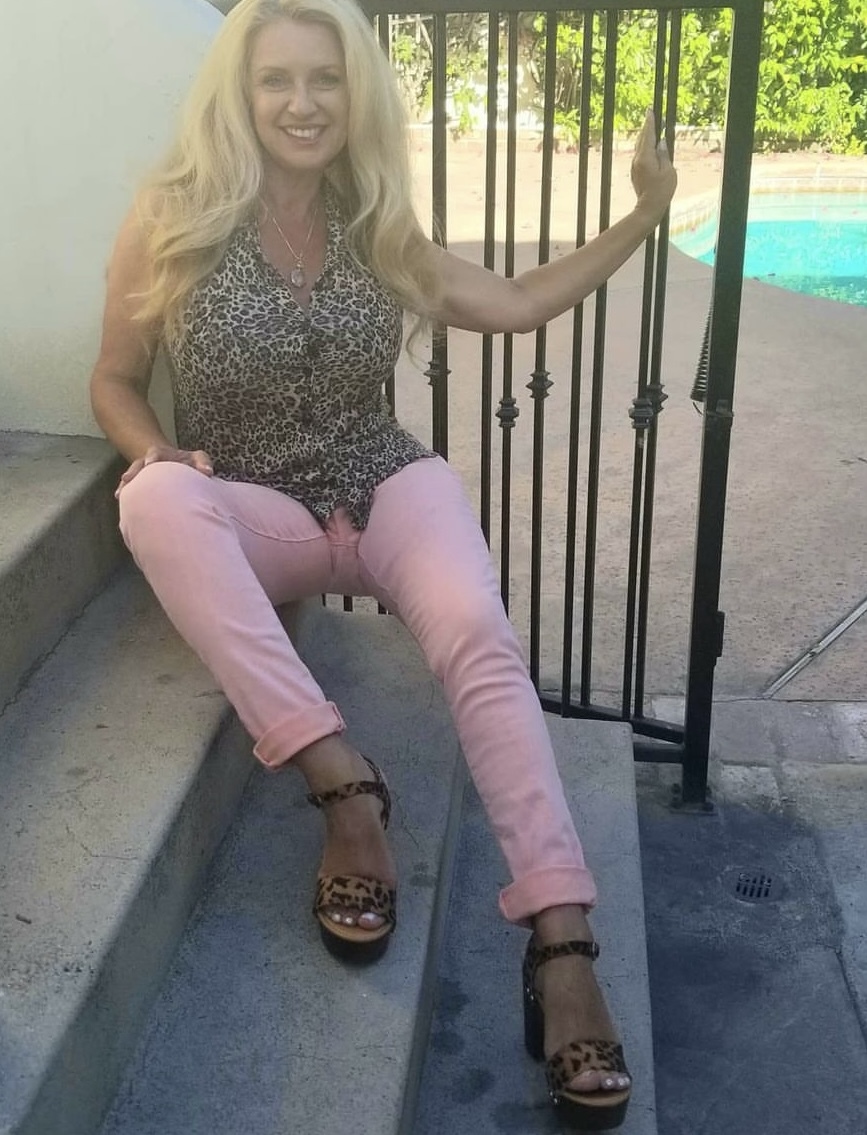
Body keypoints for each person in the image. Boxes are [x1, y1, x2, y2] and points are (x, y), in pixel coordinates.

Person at [89, 0, 676, 1127]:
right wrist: (152, 446)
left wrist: (643, 213)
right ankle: (342, 782)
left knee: (479, 637)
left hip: (383, 482)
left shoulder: (372, 219)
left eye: (326, 79)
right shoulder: (175, 216)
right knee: (153, 498)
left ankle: (561, 939)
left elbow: (515, 302)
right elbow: (113, 377)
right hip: (259, 506)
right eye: (276, 79)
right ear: (239, 93)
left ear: (354, 93)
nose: (302, 102)